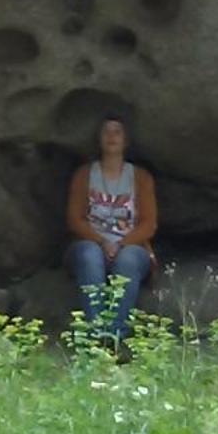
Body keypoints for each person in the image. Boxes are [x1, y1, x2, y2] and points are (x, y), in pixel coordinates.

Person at [65, 113, 159, 345]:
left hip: (130, 246)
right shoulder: (84, 175)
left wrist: (121, 244)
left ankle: (115, 337)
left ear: (126, 141)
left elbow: (149, 223)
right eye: (106, 132)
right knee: (89, 254)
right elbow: (74, 219)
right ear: (98, 139)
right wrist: (102, 241)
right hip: (92, 244)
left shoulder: (140, 177)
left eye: (117, 132)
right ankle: (96, 334)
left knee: (127, 260)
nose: (111, 137)